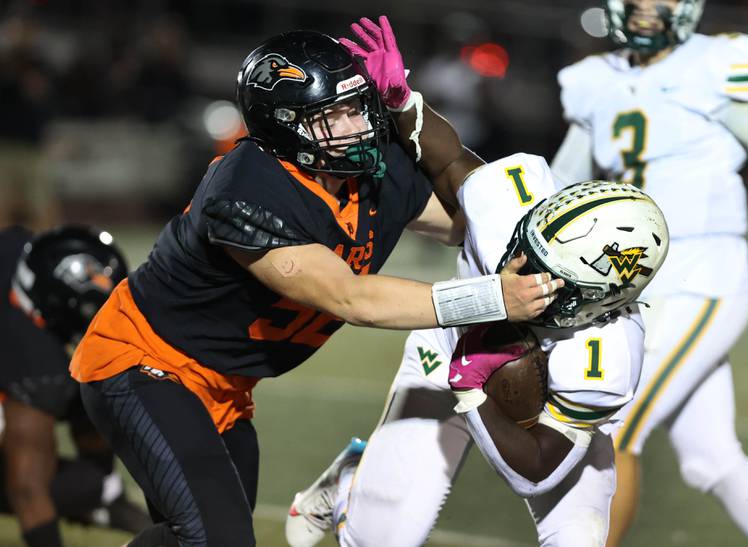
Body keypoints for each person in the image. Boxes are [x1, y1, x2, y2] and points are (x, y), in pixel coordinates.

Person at [69, 29, 560, 547]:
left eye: (358, 107)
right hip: (143, 365)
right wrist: (491, 297)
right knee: (219, 539)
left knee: (201, 537)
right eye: (332, 117)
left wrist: (410, 109)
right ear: (283, 128)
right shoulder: (246, 189)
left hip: (227, 385)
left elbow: (476, 218)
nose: (357, 127)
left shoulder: (375, 167)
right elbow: (350, 298)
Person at [285, 16, 668, 547]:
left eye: (543, 268)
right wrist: (399, 101)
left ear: (592, 298)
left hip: (540, 419)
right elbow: (447, 161)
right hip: (446, 351)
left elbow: (535, 469)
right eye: (529, 245)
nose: (518, 262)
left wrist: (475, 389)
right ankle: (357, 478)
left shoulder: (607, 353)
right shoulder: (513, 205)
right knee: (381, 540)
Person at [549, 1, 748, 545]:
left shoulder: (717, 64)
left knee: (613, 430)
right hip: (633, 280)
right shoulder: (594, 79)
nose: (646, 8)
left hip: (701, 273)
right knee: (710, 459)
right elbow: (560, 184)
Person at [0, 225, 148, 547]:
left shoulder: (23, 250)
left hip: (45, 360)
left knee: (90, 477)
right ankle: (101, 498)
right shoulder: (33, 360)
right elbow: (26, 490)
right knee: (23, 471)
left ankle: (103, 496)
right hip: (29, 366)